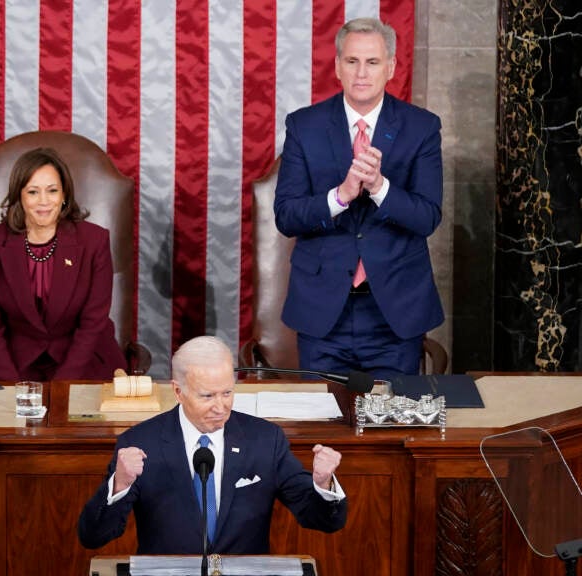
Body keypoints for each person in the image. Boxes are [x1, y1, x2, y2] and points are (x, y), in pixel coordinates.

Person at [273, 17, 444, 379]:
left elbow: (428, 217)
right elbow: (286, 216)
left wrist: (380, 188)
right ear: (337, 66)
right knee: (321, 428)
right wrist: (341, 195)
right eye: (352, 61)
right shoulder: (303, 126)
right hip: (323, 313)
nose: (361, 73)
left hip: (394, 313)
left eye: (372, 62)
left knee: (392, 429)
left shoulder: (422, 127)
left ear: (391, 67)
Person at [77, 335, 347, 554]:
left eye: (228, 393)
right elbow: (93, 536)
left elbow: (322, 520)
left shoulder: (265, 440)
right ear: (178, 391)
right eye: (207, 396)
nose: (221, 407)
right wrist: (120, 484)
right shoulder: (140, 442)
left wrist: (323, 484)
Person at [0, 147, 126, 381]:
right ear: (19, 196)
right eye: (33, 192)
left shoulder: (95, 240)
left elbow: (93, 323)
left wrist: (63, 386)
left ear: (64, 195)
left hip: (84, 362)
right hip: (13, 362)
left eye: (52, 191)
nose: (43, 202)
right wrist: (12, 386)